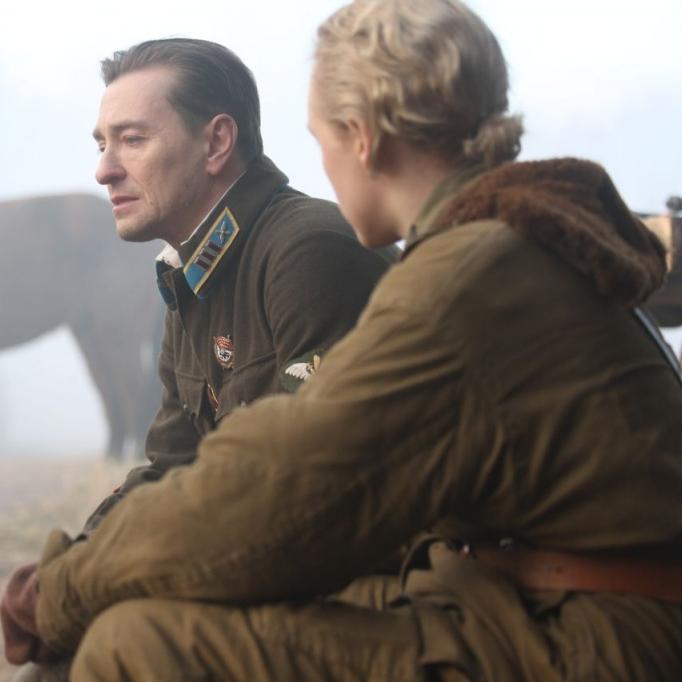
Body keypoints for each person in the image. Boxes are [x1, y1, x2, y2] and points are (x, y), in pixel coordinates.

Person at [3, 1, 682, 679]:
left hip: (592, 632)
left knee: (137, 643)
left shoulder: (460, 274)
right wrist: (78, 572)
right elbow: (184, 465)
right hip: (525, 597)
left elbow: (287, 486)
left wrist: (66, 590)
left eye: (319, 135)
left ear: (363, 137)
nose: (105, 170)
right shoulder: (488, 246)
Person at [1, 37, 394, 679]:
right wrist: (73, 563)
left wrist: (80, 587)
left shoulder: (307, 254)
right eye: (101, 145)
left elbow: (304, 499)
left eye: (132, 140)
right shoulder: (193, 277)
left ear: (216, 143)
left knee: (103, 650)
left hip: (359, 603)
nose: (104, 171)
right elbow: (170, 467)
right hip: (270, 580)